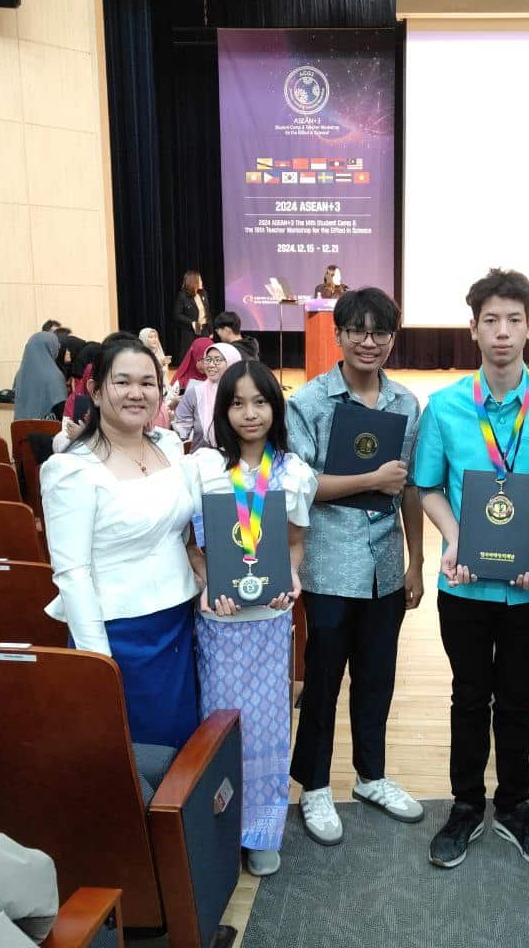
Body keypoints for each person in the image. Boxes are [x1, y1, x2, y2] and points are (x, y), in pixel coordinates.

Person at [411, 267, 529, 871]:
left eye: (514, 320)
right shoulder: (446, 406)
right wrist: (455, 540)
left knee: (517, 698)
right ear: (473, 329)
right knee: (467, 695)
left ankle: (513, 804)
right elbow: (428, 487)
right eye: (491, 321)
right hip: (463, 583)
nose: (503, 332)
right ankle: (465, 805)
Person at [287, 287, 425, 847]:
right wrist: (370, 480)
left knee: (377, 678)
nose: (369, 342)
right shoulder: (309, 402)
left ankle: (371, 776)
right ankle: (315, 786)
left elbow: (410, 487)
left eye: (380, 332)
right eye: (357, 331)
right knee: (322, 681)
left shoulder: (406, 403)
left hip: (384, 567)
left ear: (392, 337)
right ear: (339, 335)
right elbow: (300, 487)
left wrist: (416, 562)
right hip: (328, 564)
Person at [40, 339, 204, 749]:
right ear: (95, 391)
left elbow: (183, 532)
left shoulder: (169, 446)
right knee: (131, 751)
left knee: (183, 747)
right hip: (120, 634)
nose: (137, 393)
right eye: (123, 382)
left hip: (179, 623)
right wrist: (98, 663)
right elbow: (72, 574)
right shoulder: (71, 469)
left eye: (148, 383)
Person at [187, 359, 316, 878]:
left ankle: (262, 829)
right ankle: (220, 830)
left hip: (268, 621)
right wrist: (206, 581)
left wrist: (293, 575)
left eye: (260, 401)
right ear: (222, 411)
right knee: (218, 728)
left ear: (275, 408)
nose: (249, 413)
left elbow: (295, 543)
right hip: (219, 626)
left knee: (266, 731)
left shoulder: (294, 472)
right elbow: (189, 544)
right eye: (237, 403)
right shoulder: (202, 467)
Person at [172, 343, 241, 452]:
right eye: (208, 360)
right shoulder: (194, 394)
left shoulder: (242, 394)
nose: (211, 365)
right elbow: (180, 432)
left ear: (232, 362)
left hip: (237, 459)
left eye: (217, 360)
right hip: (201, 458)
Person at [13, 331, 68, 419]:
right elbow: (61, 409)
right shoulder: (54, 375)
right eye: (57, 348)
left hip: (19, 426)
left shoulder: (19, 375)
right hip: (46, 426)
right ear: (51, 349)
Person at [173, 270, 211, 362]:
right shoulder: (183, 296)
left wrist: (210, 331)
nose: (201, 282)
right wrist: (191, 322)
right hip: (190, 331)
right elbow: (177, 315)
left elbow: (207, 313)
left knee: (205, 353)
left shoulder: (203, 293)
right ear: (193, 281)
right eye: (200, 280)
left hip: (204, 329)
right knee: (189, 354)